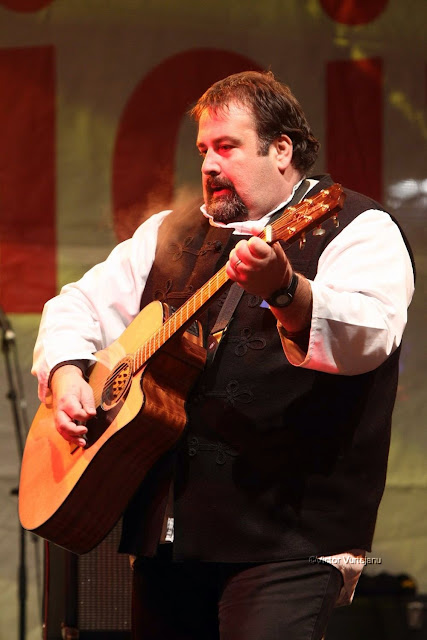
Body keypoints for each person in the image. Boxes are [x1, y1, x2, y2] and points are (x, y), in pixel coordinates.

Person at [32, 70, 415, 639]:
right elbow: (76, 306)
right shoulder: (170, 232)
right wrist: (67, 371)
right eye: (203, 150)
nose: (209, 164)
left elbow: (368, 337)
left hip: (288, 536)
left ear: (281, 150)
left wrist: (286, 290)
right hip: (170, 536)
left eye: (227, 146)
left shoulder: (356, 228)